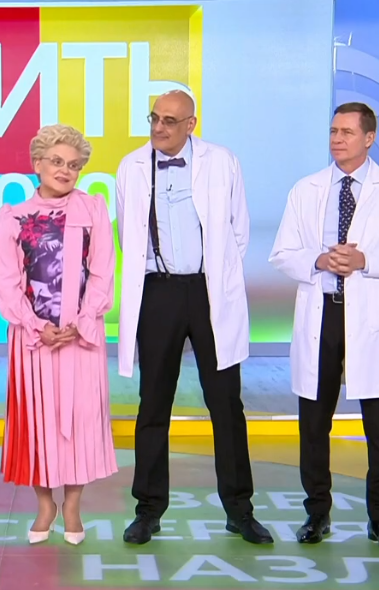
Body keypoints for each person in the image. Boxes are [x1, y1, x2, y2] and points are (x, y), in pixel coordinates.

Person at [114, 90, 271, 545]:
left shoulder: (223, 162)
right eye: (154, 118)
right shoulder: (131, 166)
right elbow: (128, 235)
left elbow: (238, 232)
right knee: (152, 404)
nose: (159, 127)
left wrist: (215, 277)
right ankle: (148, 510)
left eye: (170, 120)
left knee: (226, 404)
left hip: (209, 291)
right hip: (158, 292)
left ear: (191, 124)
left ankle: (240, 510)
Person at [268, 102, 379, 553]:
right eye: (333, 131)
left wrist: (363, 260)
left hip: (370, 318)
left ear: (369, 138)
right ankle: (317, 513)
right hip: (322, 312)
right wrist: (319, 259)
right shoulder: (306, 189)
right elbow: (282, 253)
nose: (337, 139)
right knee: (314, 423)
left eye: (347, 132)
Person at [0, 124, 118, 545]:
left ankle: (73, 505)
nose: (66, 171)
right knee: (37, 423)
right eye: (57, 162)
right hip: (33, 340)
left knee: (81, 421)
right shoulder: (14, 217)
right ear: (38, 164)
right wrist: (36, 326)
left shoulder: (93, 209)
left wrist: (81, 321)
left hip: (82, 335)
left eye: (74, 165)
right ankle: (45, 504)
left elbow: (102, 272)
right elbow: (7, 281)